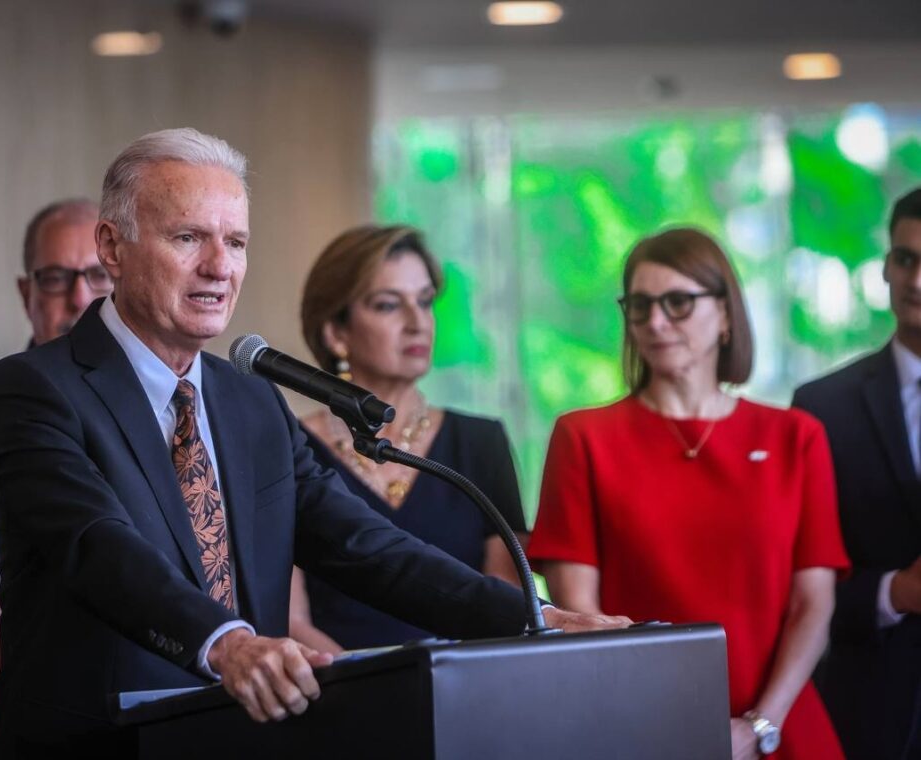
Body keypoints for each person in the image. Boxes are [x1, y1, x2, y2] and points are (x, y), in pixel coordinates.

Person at [0, 127, 628, 757]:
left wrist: (531, 617)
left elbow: (368, 547)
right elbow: (98, 548)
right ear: (113, 248)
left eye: (235, 242)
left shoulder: (249, 399)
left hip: (248, 741)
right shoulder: (33, 389)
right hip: (101, 746)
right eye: (188, 238)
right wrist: (227, 643)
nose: (218, 267)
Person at [527, 228, 850, 760]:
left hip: (782, 727)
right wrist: (667, 726)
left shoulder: (796, 437)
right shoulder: (583, 437)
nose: (655, 322)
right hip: (639, 730)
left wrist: (759, 726)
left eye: (677, 302)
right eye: (640, 305)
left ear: (726, 315)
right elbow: (577, 610)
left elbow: (813, 604)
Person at [290, 224, 527, 653]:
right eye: (388, 305)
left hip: (467, 689)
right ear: (335, 332)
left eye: (425, 301)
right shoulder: (290, 447)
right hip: (338, 694)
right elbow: (289, 620)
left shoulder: (480, 441)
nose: (418, 323)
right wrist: (366, 687)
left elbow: (505, 594)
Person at [791, 187, 921, 760]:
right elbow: (794, 583)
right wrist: (897, 591)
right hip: (867, 713)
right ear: (887, 266)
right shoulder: (823, 407)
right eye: (906, 259)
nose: (916, 280)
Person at [0, 198, 108, 502]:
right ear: (27, 295)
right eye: (55, 278)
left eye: (100, 276)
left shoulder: (166, 401)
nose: (79, 299)